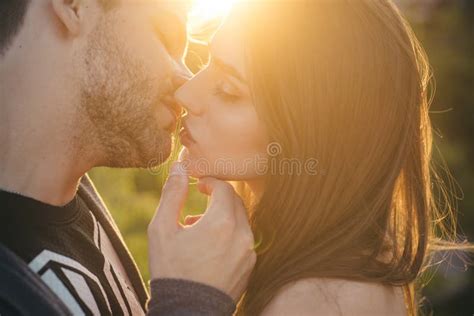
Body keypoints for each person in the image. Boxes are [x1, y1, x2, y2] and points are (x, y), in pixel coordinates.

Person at [175, 0, 472, 315]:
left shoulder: (314, 302)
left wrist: (188, 301)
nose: (186, 94)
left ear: (314, 129)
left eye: (227, 89)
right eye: (206, 62)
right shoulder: (343, 267)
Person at [0, 0, 255, 315]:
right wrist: (189, 303)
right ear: (74, 6)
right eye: (167, 37)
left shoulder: (71, 196)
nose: (186, 85)